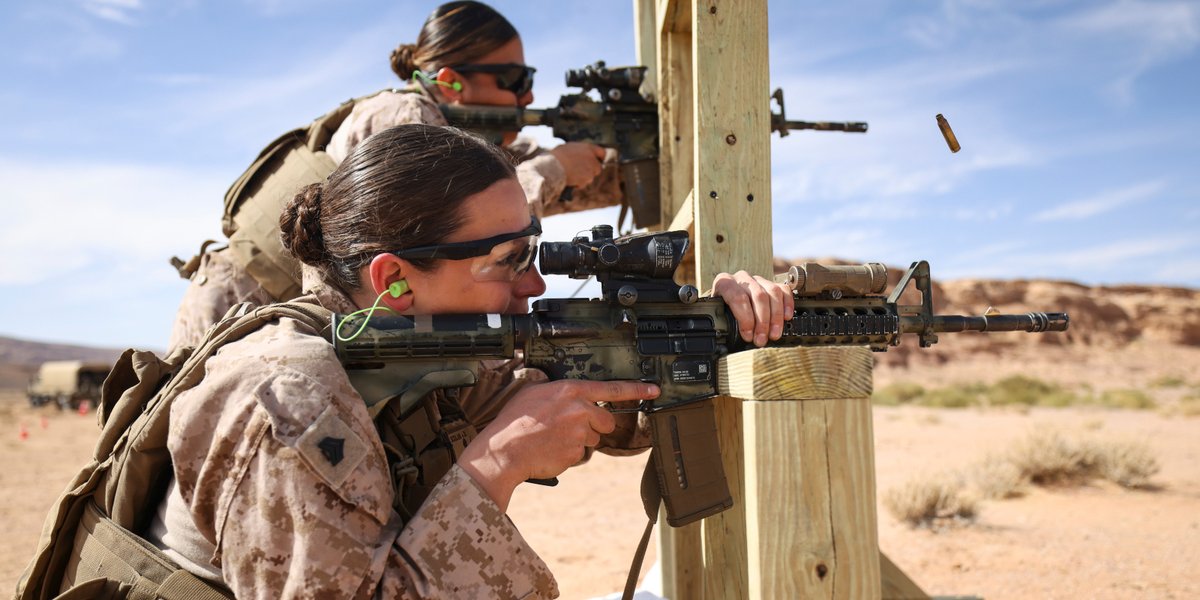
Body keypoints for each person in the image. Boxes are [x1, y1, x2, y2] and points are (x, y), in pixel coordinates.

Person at [140, 124, 793, 598]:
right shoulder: (287, 394)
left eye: (532, 252)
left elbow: (598, 403)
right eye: (508, 260)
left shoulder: (425, 346)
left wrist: (713, 324)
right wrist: (498, 464)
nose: (535, 283)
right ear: (394, 279)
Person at [167, 0, 620, 355]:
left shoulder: (448, 139)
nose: (529, 96)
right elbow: (454, 227)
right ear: (450, 81)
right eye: (516, 80)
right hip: (239, 303)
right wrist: (555, 168)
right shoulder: (403, 115)